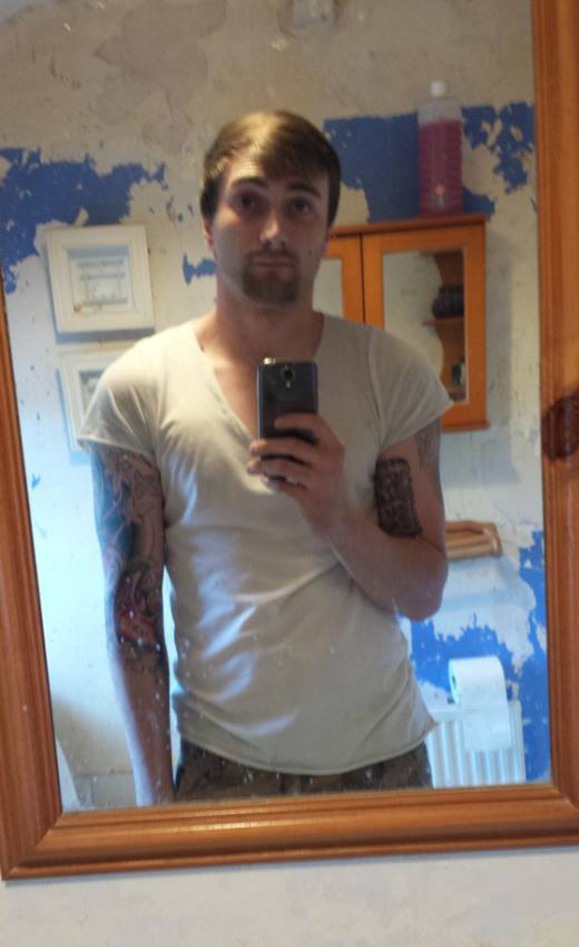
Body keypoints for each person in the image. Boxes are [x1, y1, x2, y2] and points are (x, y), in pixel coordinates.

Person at [80, 110, 451, 806]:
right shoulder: (138, 391)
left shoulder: (392, 374)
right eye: (249, 202)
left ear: (326, 232)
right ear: (207, 223)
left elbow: (422, 595)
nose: (275, 229)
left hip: (386, 763)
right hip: (225, 771)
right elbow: (133, 620)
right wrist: (154, 807)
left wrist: (337, 515)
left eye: (300, 205)